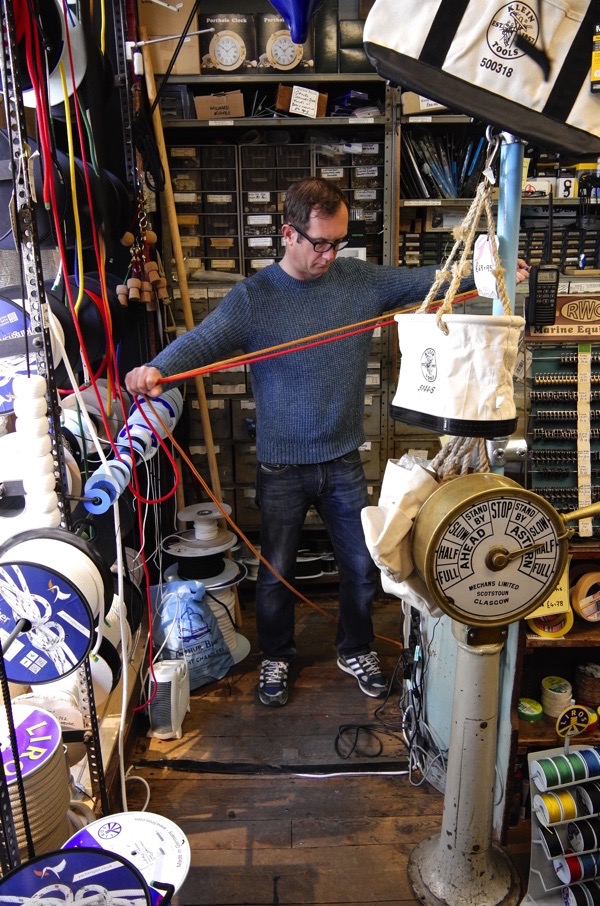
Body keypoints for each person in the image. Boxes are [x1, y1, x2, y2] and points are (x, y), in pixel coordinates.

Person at [125, 177, 530, 707]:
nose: (330, 255)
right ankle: (276, 655)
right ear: (288, 234)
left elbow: (426, 281)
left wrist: (489, 269)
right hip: (281, 466)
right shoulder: (254, 299)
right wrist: (154, 368)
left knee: (362, 566)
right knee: (275, 573)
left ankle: (354, 648)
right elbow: (203, 342)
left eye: (339, 242)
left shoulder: (357, 280)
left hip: (342, 459)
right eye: (320, 243)